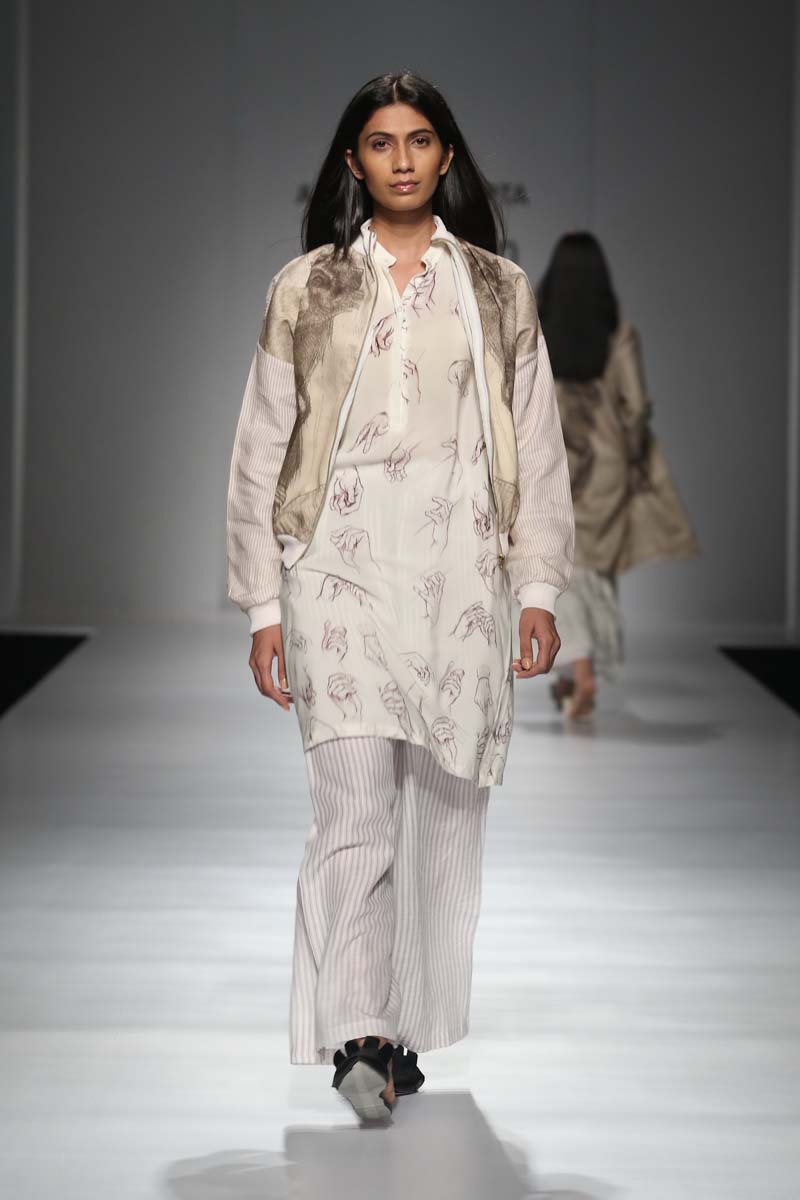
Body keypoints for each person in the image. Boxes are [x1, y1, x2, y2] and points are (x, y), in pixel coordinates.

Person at [226, 71, 574, 1124]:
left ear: (446, 155)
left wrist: (537, 585)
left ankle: (401, 1024)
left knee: (441, 817)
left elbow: (538, 449)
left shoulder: (500, 291)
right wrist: (263, 604)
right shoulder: (307, 289)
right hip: (333, 569)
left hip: (459, 572)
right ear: (353, 162)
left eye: (419, 140)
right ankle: (360, 1033)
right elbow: (260, 448)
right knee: (350, 809)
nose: (402, 159)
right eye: (381, 143)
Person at [536, 232, 699, 719]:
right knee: (595, 572)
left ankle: (577, 670)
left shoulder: (538, 331)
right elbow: (636, 406)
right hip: (606, 468)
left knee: (558, 569)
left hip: (554, 461)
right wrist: (632, 455)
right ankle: (580, 672)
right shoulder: (618, 336)